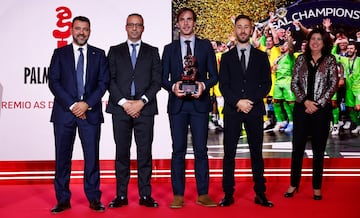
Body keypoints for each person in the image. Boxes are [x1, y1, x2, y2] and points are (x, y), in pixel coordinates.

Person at [48, 16, 109, 213]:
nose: (81, 32)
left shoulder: (99, 54)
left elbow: (103, 83)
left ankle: (93, 198)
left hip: (90, 114)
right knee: (62, 158)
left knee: (92, 158)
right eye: (78, 29)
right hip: (64, 114)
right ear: (71, 30)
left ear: (89, 32)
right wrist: (74, 105)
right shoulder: (60, 53)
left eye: (85, 29)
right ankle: (63, 200)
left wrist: (86, 104)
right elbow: (54, 82)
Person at [162, 7, 218, 208]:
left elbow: (214, 76)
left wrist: (203, 85)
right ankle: (178, 194)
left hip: (199, 104)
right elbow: (162, 78)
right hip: (177, 105)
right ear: (177, 24)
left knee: (201, 150)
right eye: (182, 20)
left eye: (189, 20)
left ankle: (203, 193)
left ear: (194, 22)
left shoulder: (205, 47)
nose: (186, 23)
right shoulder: (169, 49)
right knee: (178, 150)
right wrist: (173, 86)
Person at [106, 13, 162, 208]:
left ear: (143, 28)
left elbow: (157, 81)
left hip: (145, 110)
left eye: (138, 25)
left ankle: (145, 195)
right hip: (120, 109)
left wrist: (141, 102)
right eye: (131, 25)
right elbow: (109, 80)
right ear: (126, 27)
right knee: (122, 153)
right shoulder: (114, 51)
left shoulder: (153, 51)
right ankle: (121, 195)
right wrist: (124, 103)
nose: (135, 28)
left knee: (144, 153)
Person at [218, 14, 273, 207]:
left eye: (246, 27)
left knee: (256, 153)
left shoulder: (260, 56)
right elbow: (223, 85)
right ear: (235, 30)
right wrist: (237, 102)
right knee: (229, 154)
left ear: (251, 30)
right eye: (239, 27)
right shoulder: (226, 58)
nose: (242, 30)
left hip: (255, 110)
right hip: (233, 111)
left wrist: (250, 101)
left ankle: (260, 193)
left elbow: (266, 84)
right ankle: (228, 194)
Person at [284, 28, 338, 200]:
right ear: (308, 41)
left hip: (321, 111)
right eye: (312, 38)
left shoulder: (330, 60)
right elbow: (294, 83)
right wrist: (305, 101)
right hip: (302, 108)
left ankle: (316, 187)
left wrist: (318, 104)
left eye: (319, 39)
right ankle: (293, 184)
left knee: (319, 150)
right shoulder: (300, 59)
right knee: (297, 148)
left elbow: (333, 84)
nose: (315, 42)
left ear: (324, 42)